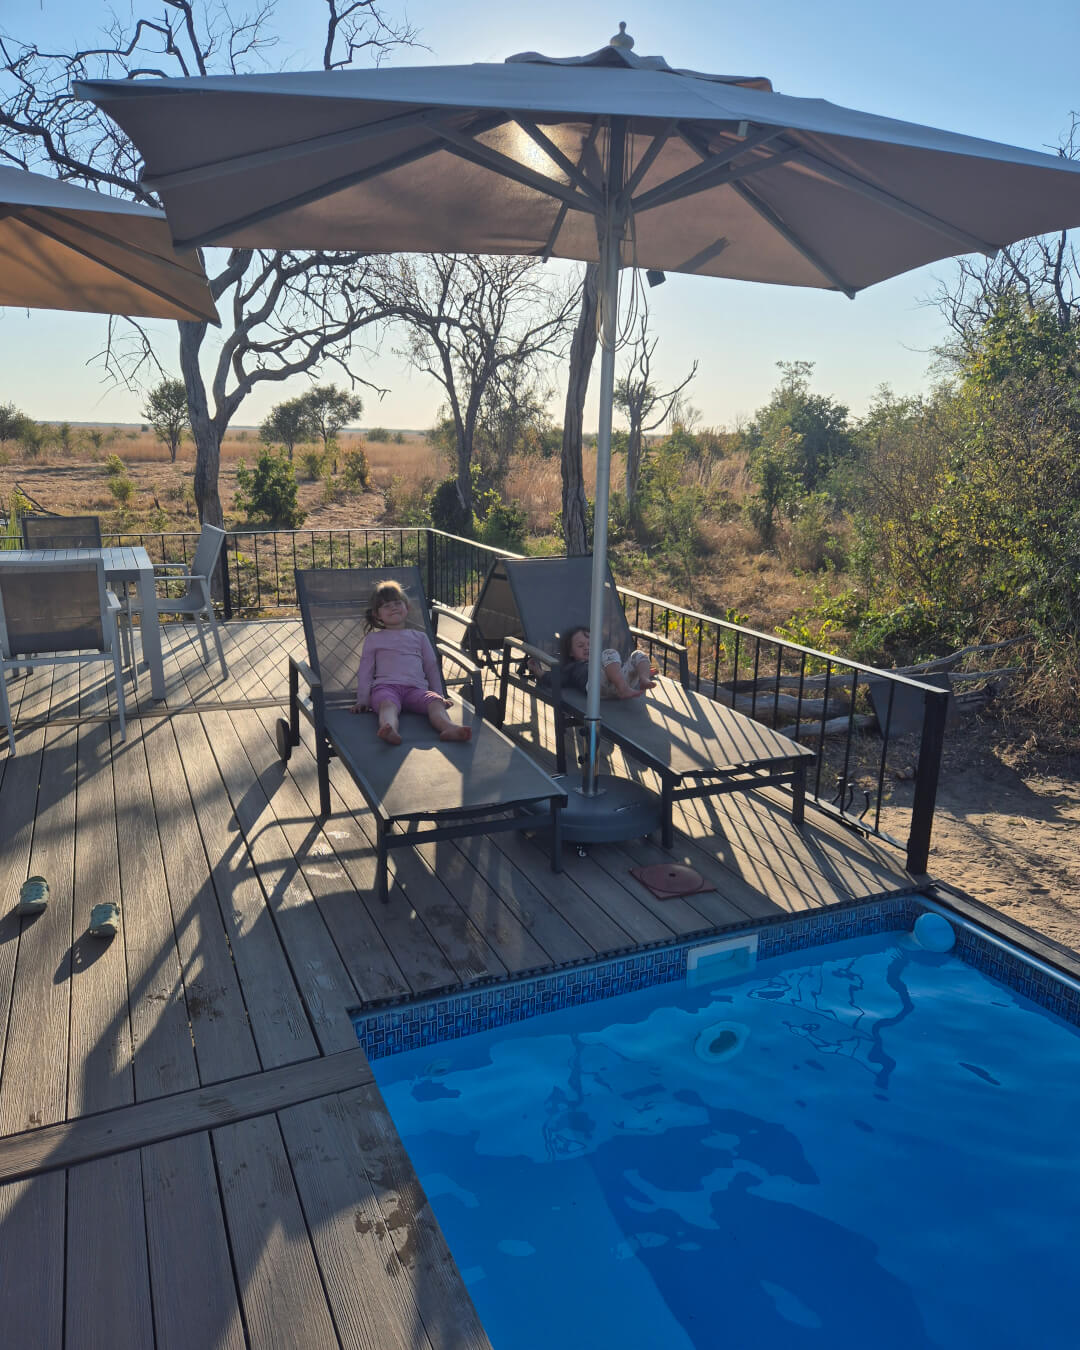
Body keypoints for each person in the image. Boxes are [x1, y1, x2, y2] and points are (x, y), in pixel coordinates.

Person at [353, 579, 471, 745]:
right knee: (387, 706)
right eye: (386, 606)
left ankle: (449, 727)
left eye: (397, 603)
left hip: (416, 689)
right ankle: (389, 729)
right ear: (377, 615)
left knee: (435, 702)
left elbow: (431, 666)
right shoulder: (374, 639)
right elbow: (366, 671)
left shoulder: (419, 637)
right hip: (386, 688)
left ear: (407, 608)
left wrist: (439, 694)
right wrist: (363, 700)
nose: (393, 608)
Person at [549, 625, 656, 700]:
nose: (587, 648)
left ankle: (644, 678)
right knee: (609, 653)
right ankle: (623, 688)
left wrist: (639, 671)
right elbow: (556, 678)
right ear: (571, 652)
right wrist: (541, 674)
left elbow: (619, 668)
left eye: (590, 644)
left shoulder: (602, 659)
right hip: (596, 687)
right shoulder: (572, 667)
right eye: (580, 646)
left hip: (617, 685)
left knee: (638, 654)